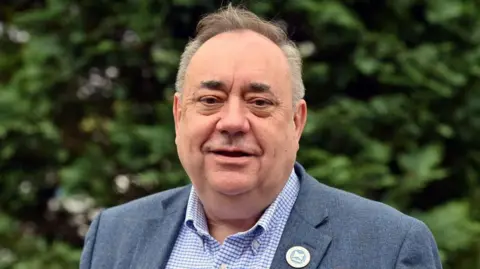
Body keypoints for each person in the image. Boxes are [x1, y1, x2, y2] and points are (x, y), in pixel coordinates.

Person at [80, 5, 443, 269]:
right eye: (210, 100)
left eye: (259, 102)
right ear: (179, 116)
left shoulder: (389, 247)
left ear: (296, 122)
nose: (233, 122)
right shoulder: (114, 236)